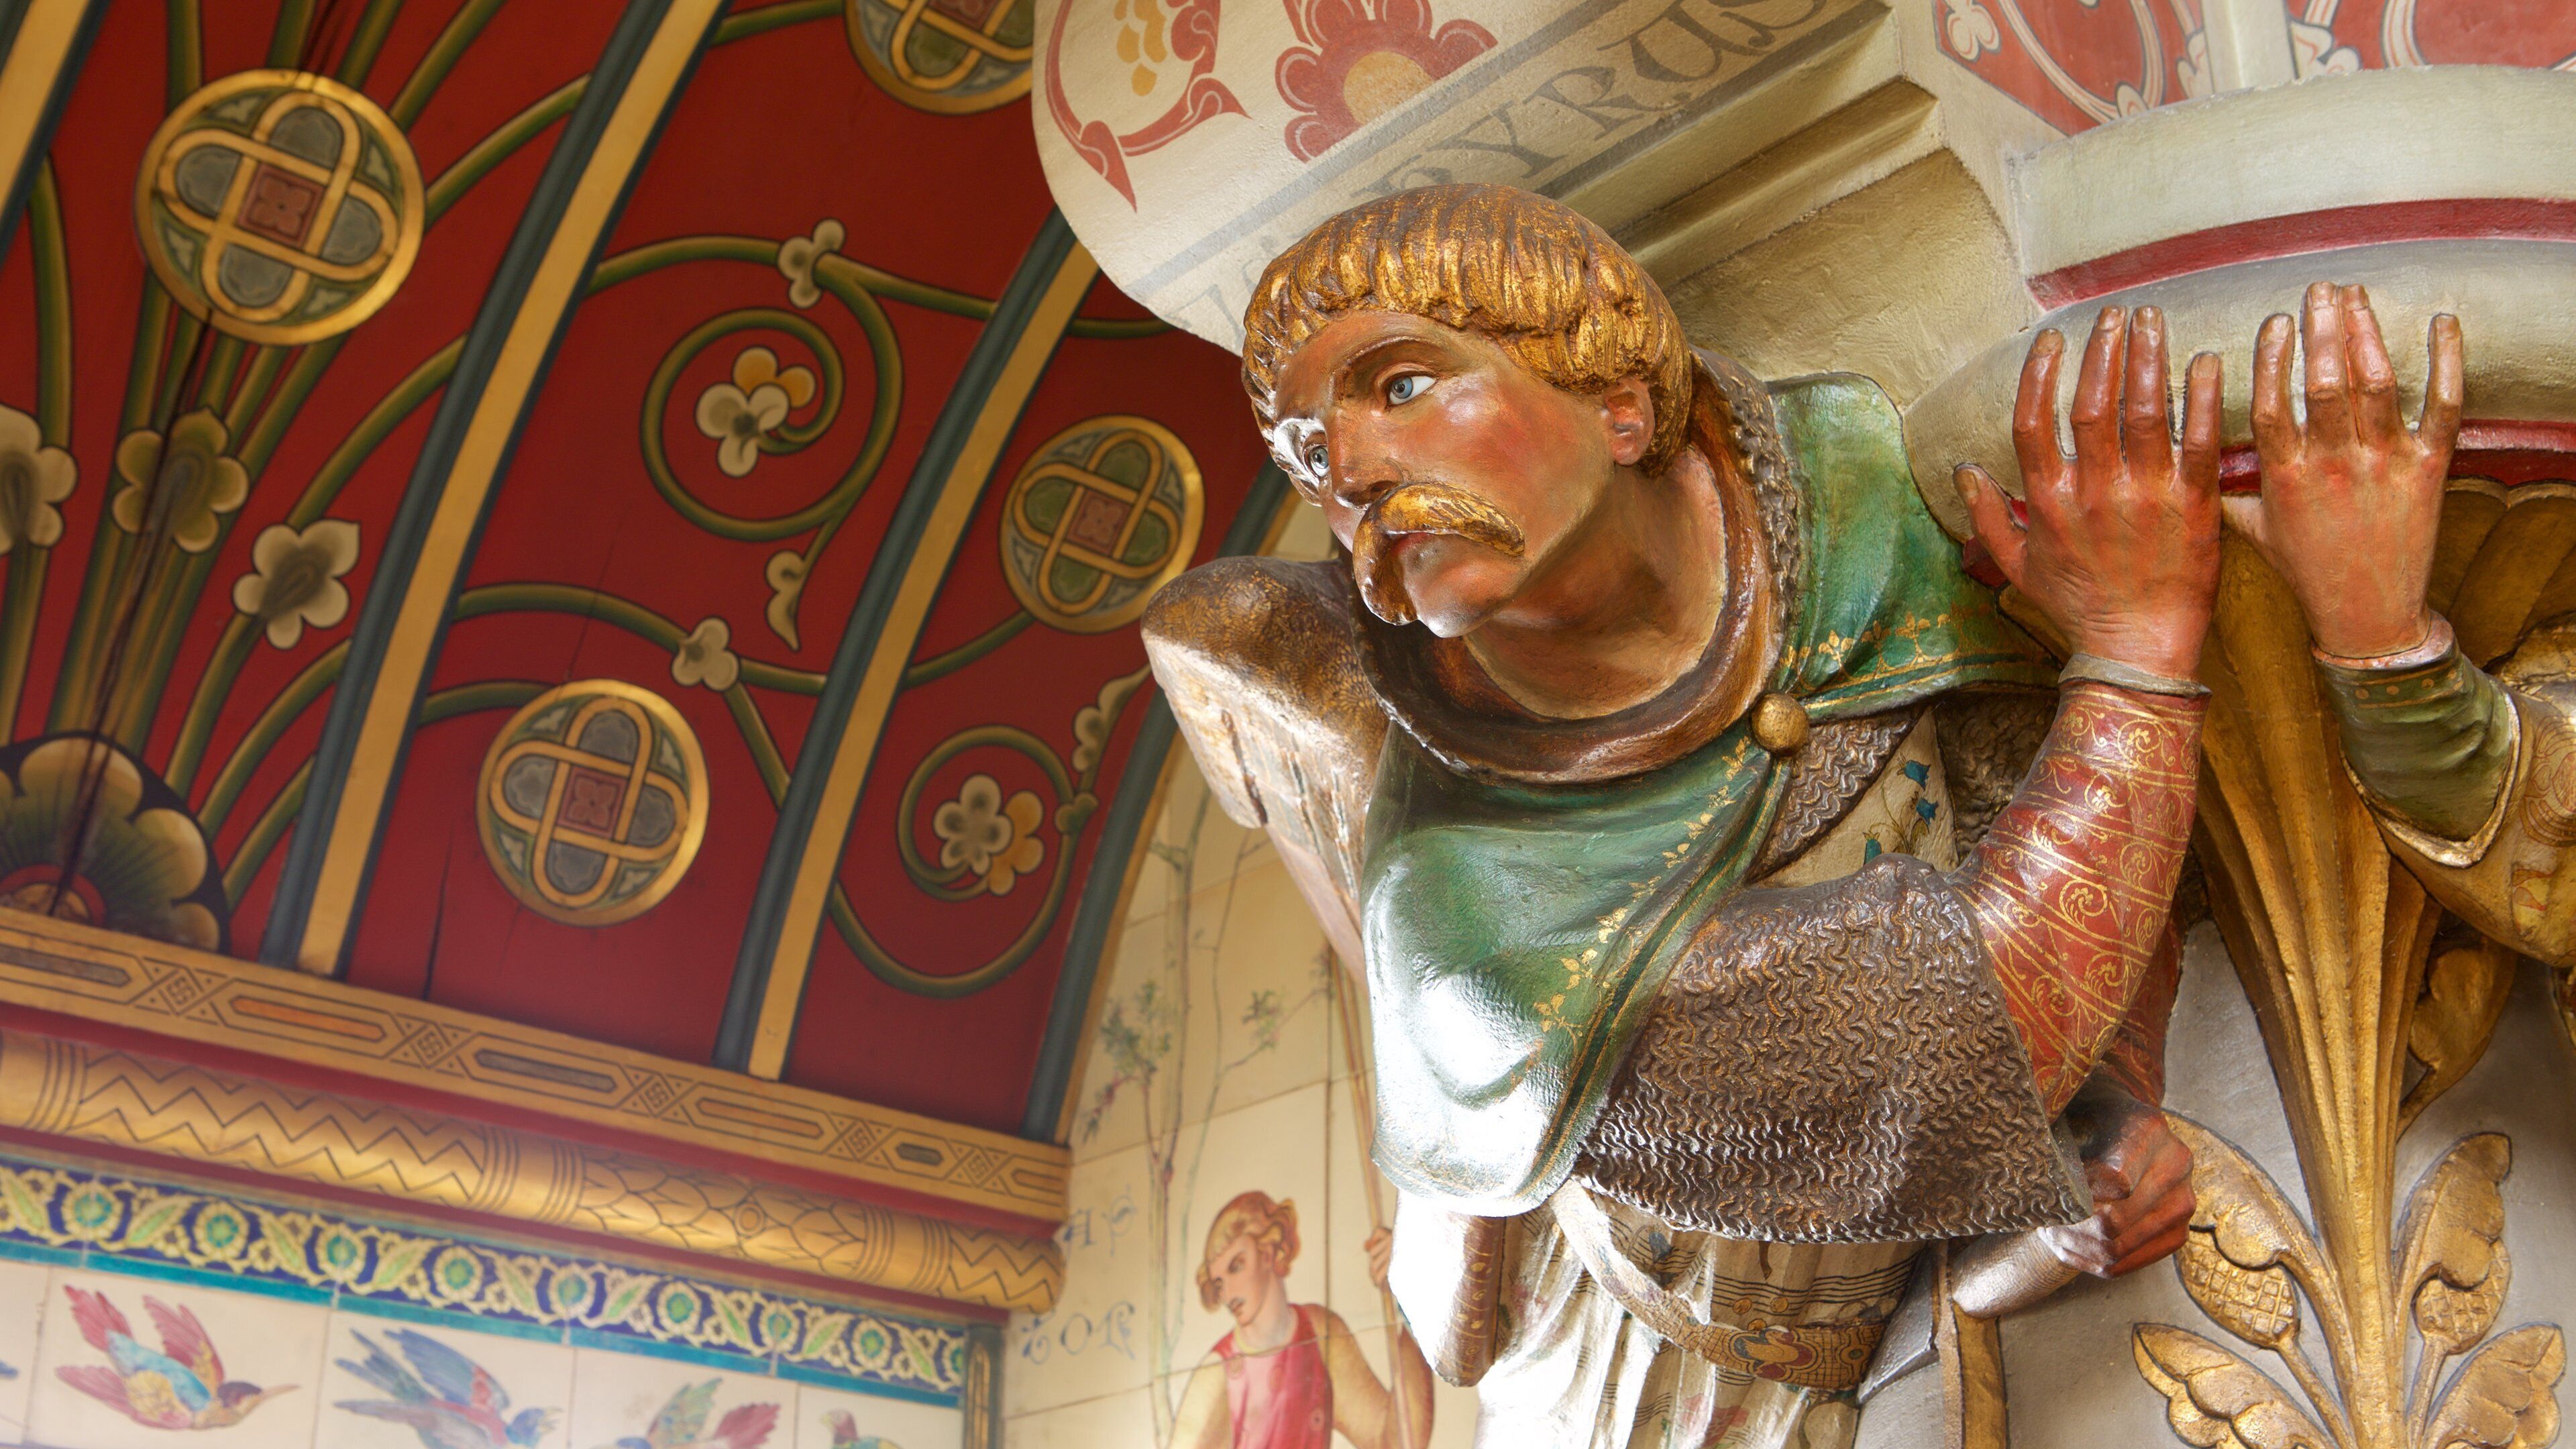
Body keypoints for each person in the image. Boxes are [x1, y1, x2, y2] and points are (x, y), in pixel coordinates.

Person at [1144, 182, 2214, 1448]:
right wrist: (2140, 650)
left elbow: (2020, 805)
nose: (1360, 472)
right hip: (1633, 1391)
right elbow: (1956, 1040)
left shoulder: (1856, 507)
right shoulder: (1459, 892)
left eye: (1403, 385)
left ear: (1623, 402)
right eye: (1315, 458)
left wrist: (2110, 1121)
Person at [1169, 1192, 1436, 1449]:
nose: (1228, 1293)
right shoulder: (1218, 1372)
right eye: (1219, 1284)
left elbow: (1399, 1442)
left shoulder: (1318, 1332)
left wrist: (1409, 1289)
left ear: (1267, 1252)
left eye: (1237, 1266)